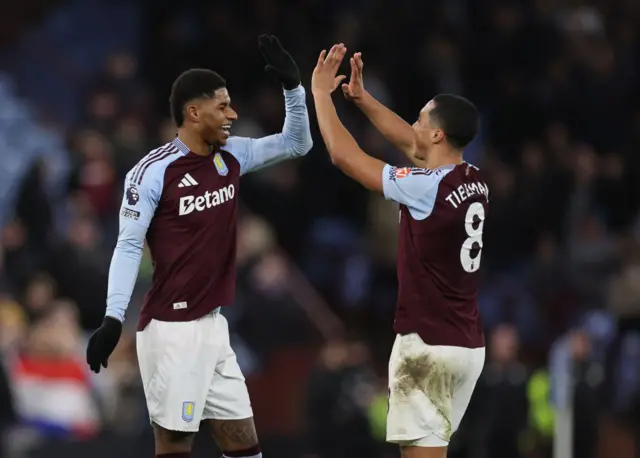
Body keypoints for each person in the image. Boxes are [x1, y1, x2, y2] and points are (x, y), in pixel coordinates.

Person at [85, 35, 313, 458]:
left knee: (245, 445)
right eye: (222, 106)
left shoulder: (232, 155)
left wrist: (293, 89)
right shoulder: (152, 172)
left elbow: (297, 143)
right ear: (193, 112)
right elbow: (128, 246)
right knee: (174, 446)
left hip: (213, 326)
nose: (233, 114)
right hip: (171, 330)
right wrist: (113, 319)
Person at [311, 44, 487, 458]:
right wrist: (362, 99)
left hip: (427, 344)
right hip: (466, 345)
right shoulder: (474, 178)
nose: (414, 124)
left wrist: (321, 94)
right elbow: (411, 143)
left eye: (421, 120)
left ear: (438, 134)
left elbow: (344, 155)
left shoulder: (424, 186)